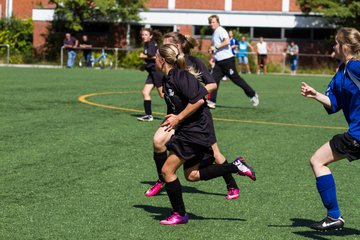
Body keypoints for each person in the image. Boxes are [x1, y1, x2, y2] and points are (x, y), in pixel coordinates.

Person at [155, 43, 256, 225]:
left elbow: (200, 100)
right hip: (189, 130)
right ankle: (236, 166)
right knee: (191, 175)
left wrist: (178, 118)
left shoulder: (181, 76)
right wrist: (173, 116)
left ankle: (180, 214)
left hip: (195, 131)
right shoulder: (168, 79)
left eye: (155, 56)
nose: (153, 59)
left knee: (167, 171)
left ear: (162, 60)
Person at [145, 32, 240, 200]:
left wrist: (195, 93)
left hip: (196, 117)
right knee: (158, 141)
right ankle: (163, 179)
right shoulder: (165, 67)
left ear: (178, 46)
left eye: (167, 44)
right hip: (176, 116)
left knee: (216, 153)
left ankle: (231, 184)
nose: (163, 48)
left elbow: (211, 84)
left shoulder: (194, 62)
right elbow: (163, 93)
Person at [300, 27, 360, 231]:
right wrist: (315, 94)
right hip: (355, 135)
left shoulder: (355, 68)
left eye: (335, 43)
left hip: (357, 136)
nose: (333, 46)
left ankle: (334, 215)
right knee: (317, 161)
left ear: (343, 46)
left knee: (317, 161)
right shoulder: (341, 73)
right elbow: (333, 103)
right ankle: (333, 216)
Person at [207, 15, 259, 109]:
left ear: (218, 22)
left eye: (213, 22)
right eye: (210, 22)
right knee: (213, 80)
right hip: (219, 62)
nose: (212, 24)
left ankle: (253, 95)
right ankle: (211, 101)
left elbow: (227, 42)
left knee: (236, 79)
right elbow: (218, 47)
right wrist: (213, 53)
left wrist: (215, 47)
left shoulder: (221, 30)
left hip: (227, 61)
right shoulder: (215, 33)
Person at [137, 28, 164, 122]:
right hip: (152, 72)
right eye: (142, 34)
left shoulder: (152, 44)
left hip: (157, 72)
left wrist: (143, 56)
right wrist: (145, 65)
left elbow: (155, 56)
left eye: (146, 34)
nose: (143, 36)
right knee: (145, 92)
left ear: (151, 36)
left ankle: (182, 109)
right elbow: (151, 58)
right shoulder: (147, 44)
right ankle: (148, 115)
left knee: (163, 94)